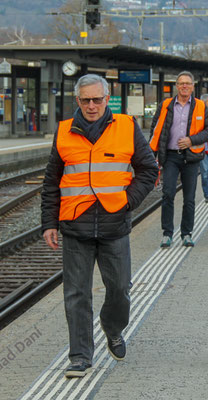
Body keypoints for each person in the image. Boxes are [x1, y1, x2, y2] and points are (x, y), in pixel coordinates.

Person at [41, 74, 159, 378]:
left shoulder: (126, 126)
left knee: (120, 288)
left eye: (97, 99)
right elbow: (52, 181)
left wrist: (127, 201)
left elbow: (149, 169)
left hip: (114, 225)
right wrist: (48, 223)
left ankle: (113, 327)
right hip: (75, 225)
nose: (92, 105)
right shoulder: (65, 131)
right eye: (85, 100)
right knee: (76, 294)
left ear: (108, 99)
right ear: (77, 101)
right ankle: (80, 355)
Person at [150, 71, 208, 248]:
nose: (184, 86)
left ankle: (187, 233)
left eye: (188, 83)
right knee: (168, 193)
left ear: (193, 86)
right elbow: (155, 129)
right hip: (170, 156)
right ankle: (167, 233)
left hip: (191, 157)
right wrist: (153, 155)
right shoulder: (166, 105)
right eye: (181, 83)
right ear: (176, 86)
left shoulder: (201, 106)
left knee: (189, 198)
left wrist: (191, 140)